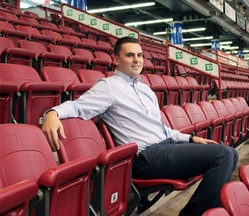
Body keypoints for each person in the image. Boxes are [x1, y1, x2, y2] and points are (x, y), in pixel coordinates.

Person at [42, 36, 238, 216]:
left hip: (166, 146)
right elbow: (78, 106)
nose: (137, 60)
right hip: (145, 157)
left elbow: (160, 128)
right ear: (116, 60)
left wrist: (190, 138)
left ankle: (206, 211)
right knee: (223, 155)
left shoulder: (145, 89)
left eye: (139, 55)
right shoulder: (109, 86)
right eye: (130, 55)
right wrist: (53, 113)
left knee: (231, 152)